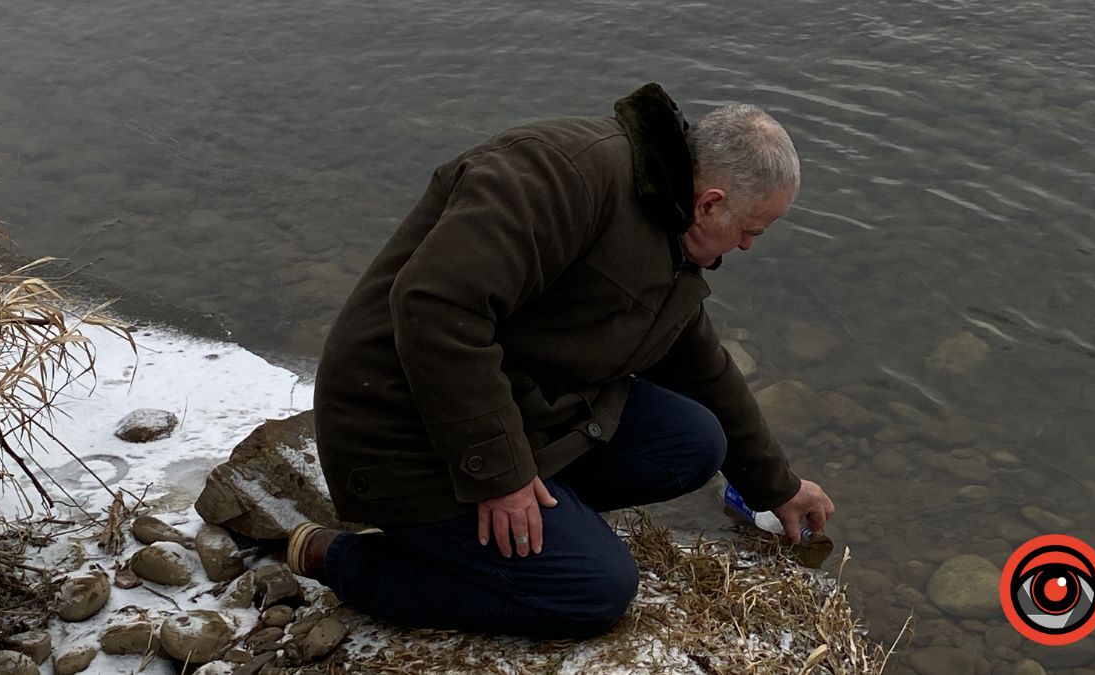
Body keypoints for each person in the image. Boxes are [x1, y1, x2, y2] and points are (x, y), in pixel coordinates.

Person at [291, 82, 835, 639]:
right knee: (592, 593)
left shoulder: (668, 216)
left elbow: (701, 367)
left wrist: (778, 487)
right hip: (399, 428)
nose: (746, 247)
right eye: (750, 231)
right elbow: (435, 308)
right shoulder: (559, 178)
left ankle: (518, 534)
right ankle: (341, 557)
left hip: (517, 401)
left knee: (695, 441)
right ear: (711, 203)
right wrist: (502, 476)